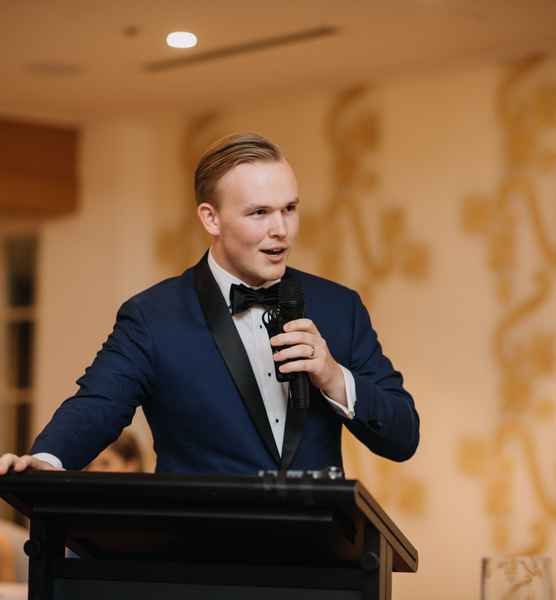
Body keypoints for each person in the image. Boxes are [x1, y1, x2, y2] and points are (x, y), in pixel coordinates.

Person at [0, 133, 419, 476]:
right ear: (211, 219)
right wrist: (47, 460)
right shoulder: (153, 316)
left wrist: (332, 376)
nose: (281, 231)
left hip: (320, 565)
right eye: (259, 213)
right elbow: (98, 403)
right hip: (199, 564)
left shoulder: (339, 306)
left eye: (289, 209)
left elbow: (403, 436)